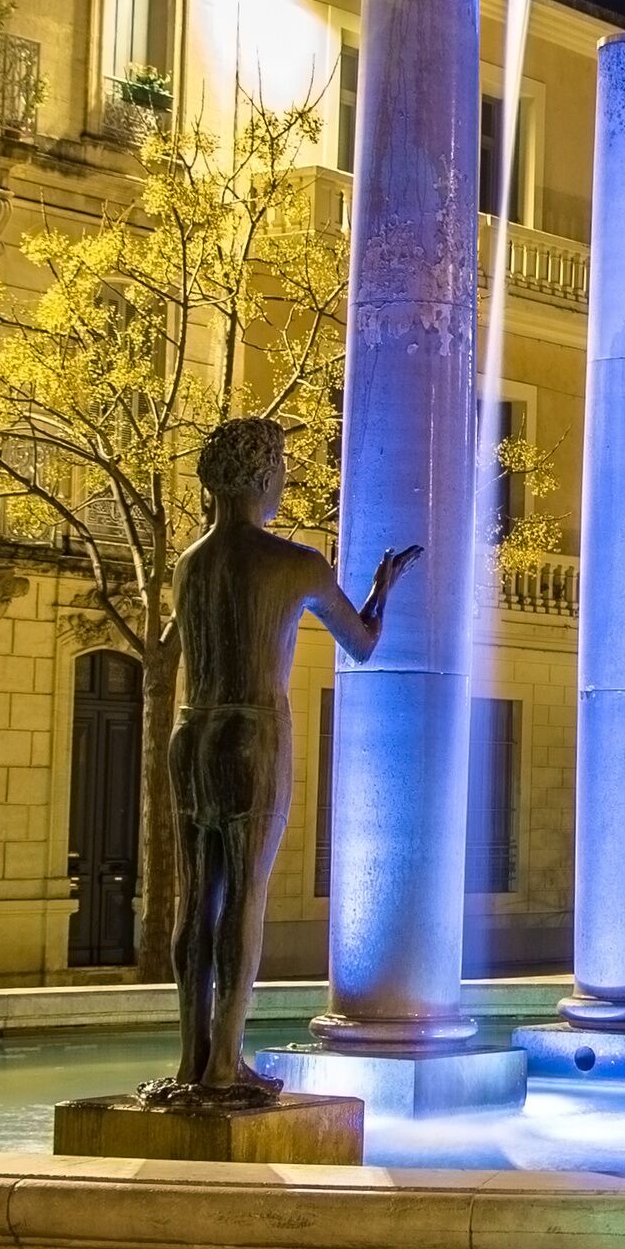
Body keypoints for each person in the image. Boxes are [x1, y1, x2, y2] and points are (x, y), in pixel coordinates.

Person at [149, 416, 416, 1107]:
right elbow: (360, 642)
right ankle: (225, 1063)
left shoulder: (189, 563)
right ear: (264, 477)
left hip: (192, 732)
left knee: (194, 898)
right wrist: (383, 586)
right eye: (283, 473)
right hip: (252, 733)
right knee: (244, 896)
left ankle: (190, 1059)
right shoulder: (296, 563)